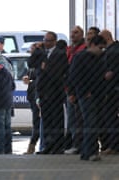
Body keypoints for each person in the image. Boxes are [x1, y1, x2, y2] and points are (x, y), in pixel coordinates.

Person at [68, 35, 106, 161]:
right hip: (87, 95)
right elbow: (74, 76)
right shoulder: (80, 57)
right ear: (93, 45)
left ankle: (87, 151)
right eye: (100, 47)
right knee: (91, 122)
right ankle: (91, 151)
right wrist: (83, 92)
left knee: (92, 122)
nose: (102, 50)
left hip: (97, 94)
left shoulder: (98, 58)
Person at [36, 31, 68, 154]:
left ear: (54, 41)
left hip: (55, 92)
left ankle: (58, 146)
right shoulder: (42, 53)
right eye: (45, 40)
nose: (46, 43)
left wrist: (46, 68)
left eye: (49, 40)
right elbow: (32, 64)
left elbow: (58, 73)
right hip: (44, 92)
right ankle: (48, 146)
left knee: (56, 120)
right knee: (47, 121)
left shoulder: (60, 54)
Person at [64, 26, 86, 155]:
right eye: (72, 33)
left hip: (77, 89)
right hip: (69, 87)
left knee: (77, 118)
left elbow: (75, 71)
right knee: (72, 119)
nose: (73, 35)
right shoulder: (70, 49)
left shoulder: (82, 49)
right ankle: (74, 143)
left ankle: (78, 144)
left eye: (76, 33)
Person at [99, 30, 119, 155]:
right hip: (113, 88)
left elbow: (110, 72)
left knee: (110, 117)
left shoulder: (112, 52)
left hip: (111, 90)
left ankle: (114, 145)